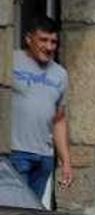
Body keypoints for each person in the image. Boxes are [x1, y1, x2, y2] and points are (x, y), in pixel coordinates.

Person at [10, 15, 72, 200]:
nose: (49, 46)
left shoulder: (60, 74)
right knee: (13, 212)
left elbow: (59, 120)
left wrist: (66, 162)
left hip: (44, 157)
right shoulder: (10, 60)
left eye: (53, 42)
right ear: (29, 39)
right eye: (43, 40)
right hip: (14, 154)